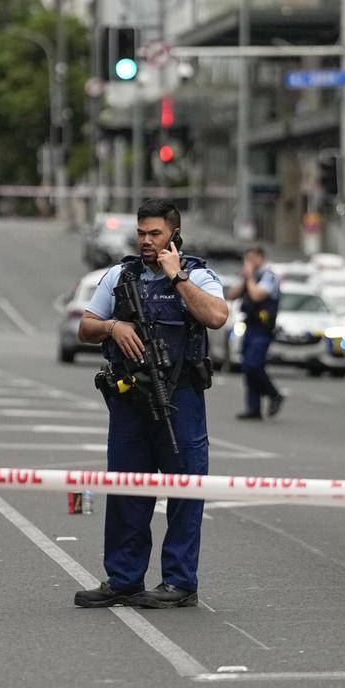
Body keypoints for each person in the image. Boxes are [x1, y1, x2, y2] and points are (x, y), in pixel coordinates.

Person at [75, 199, 228, 609]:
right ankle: (123, 579)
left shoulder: (198, 275)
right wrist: (113, 326)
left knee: (185, 491)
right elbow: (85, 326)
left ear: (174, 235)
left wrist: (176, 278)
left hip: (180, 398)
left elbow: (216, 317)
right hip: (129, 399)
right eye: (142, 232)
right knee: (125, 490)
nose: (145, 240)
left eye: (155, 233)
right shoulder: (119, 275)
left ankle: (179, 583)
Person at [226, 246, 285, 420]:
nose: (248, 263)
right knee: (247, 367)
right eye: (247, 259)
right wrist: (245, 278)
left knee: (254, 364)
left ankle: (274, 394)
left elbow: (258, 295)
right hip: (250, 326)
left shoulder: (268, 276)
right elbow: (231, 294)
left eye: (251, 259)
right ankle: (254, 408)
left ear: (261, 257)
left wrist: (249, 278)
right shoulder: (250, 277)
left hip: (263, 328)